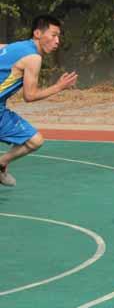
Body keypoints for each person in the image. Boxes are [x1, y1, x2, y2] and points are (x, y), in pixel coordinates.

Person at [0, 15, 78, 187]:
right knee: (35, 142)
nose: (57, 41)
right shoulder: (33, 58)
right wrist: (59, 87)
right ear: (37, 33)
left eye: (58, 36)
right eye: (53, 35)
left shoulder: (16, 46)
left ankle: (1, 164)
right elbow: (30, 96)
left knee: (34, 140)